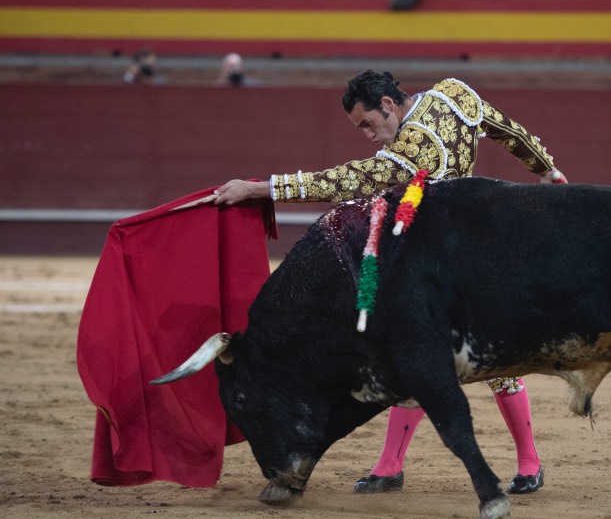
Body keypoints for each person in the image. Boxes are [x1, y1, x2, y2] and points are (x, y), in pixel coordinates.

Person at [213, 70, 568, 495]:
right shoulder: (456, 94)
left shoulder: (411, 146)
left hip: (440, 261)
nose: (368, 135)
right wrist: (546, 170)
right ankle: (403, 465)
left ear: (387, 105)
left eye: (368, 123)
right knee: (437, 359)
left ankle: (515, 463)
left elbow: (350, 179)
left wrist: (264, 189)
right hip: (464, 252)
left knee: (446, 357)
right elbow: (508, 130)